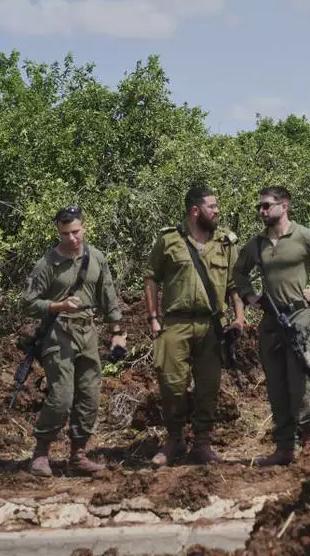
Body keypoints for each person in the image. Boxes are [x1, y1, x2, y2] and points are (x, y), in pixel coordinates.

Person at [233, 186, 310, 466]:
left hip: (298, 318)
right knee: (276, 384)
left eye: (266, 206)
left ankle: (309, 442)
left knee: (301, 381)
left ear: (284, 206)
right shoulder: (257, 244)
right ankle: (284, 447)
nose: (262, 211)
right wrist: (249, 296)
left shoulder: (304, 236)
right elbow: (238, 271)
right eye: (259, 207)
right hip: (271, 321)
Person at [21, 205, 125, 478]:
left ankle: (78, 455)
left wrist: (117, 331)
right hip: (58, 333)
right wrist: (58, 305)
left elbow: (108, 295)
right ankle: (41, 454)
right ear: (58, 232)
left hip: (87, 332)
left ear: (84, 228)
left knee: (89, 395)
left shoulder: (96, 257)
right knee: (61, 397)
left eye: (76, 231)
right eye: (65, 233)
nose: (72, 238)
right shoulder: (48, 264)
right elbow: (28, 303)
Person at [144, 186, 245, 467]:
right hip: (175, 324)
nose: (217, 211)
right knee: (171, 385)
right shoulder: (169, 241)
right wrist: (153, 318)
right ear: (195, 211)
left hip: (212, 325)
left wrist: (239, 318)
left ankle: (202, 443)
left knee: (208, 387)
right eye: (212, 206)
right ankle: (174, 440)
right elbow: (151, 277)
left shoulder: (225, 243)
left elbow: (235, 285)